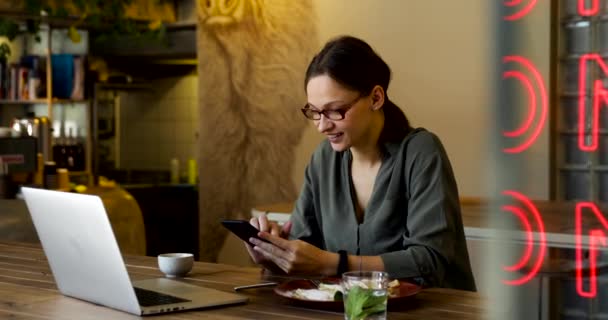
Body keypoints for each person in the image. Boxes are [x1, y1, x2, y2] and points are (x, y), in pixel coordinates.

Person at [245, 35, 476, 291]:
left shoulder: (420, 151)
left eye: (335, 110)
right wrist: (276, 252)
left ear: (376, 98)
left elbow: (429, 262)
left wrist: (334, 263)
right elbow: (304, 249)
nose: (322, 125)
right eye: (314, 112)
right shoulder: (324, 159)